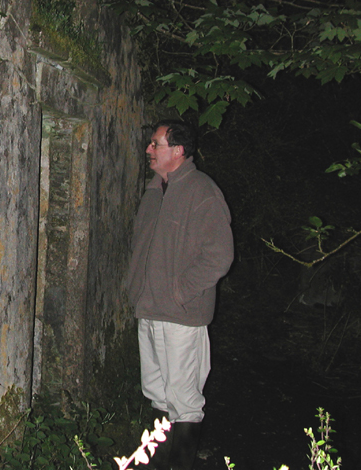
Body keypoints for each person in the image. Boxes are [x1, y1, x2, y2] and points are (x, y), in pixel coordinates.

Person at [125, 119, 234, 470]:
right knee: (157, 396)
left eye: (155, 144)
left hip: (182, 317)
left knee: (184, 401)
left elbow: (220, 255)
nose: (149, 150)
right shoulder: (154, 191)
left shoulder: (203, 192)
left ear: (178, 150)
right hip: (150, 310)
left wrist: (179, 292)